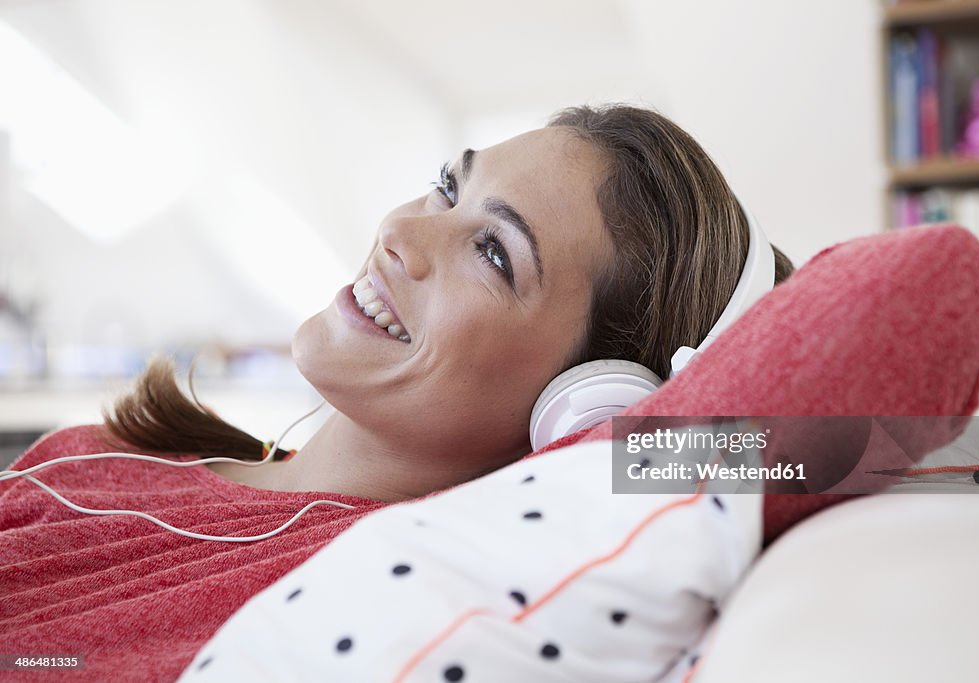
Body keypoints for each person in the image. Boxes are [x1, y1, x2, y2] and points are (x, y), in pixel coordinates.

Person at [0, 104, 793, 681]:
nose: (401, 235)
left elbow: (860, 440)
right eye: (448, 186)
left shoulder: (350, 605)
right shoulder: (99, 450)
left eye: (493, 251)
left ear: (581, 406)